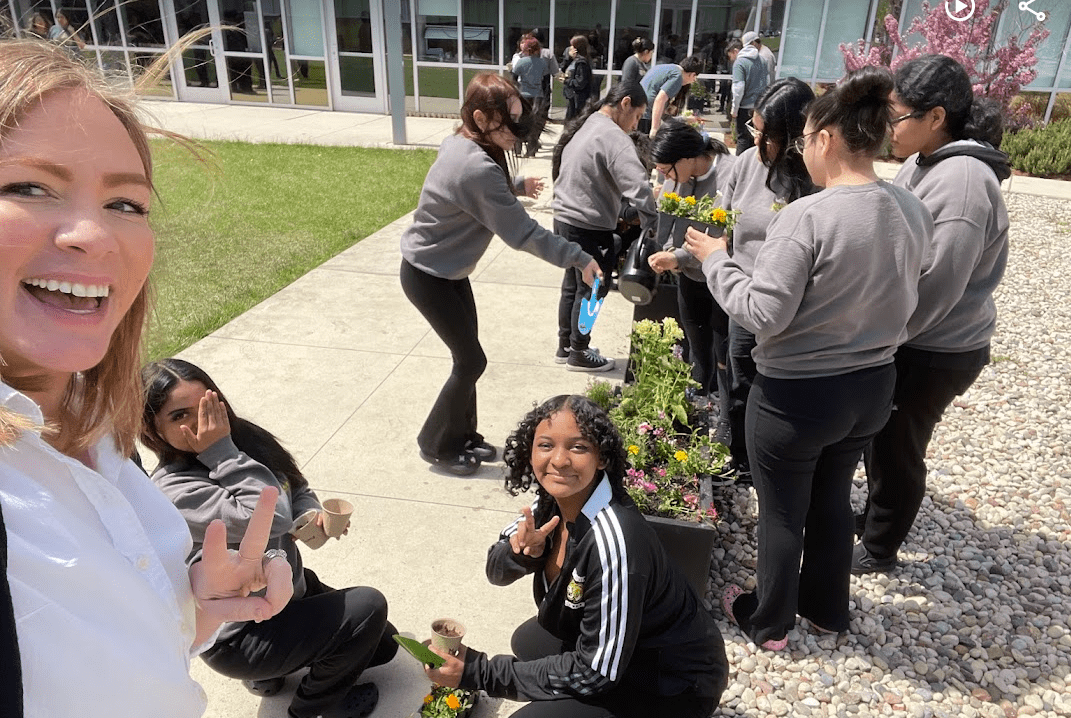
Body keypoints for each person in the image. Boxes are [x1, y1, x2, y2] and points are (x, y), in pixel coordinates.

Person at [0, 38, 292, 716]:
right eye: (27, 187)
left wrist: (201, 607)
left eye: (125, 204)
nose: (95, 236)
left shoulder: (93, 422)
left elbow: (110, 661)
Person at [684, 66, 932, 649]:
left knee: (782, 512)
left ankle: (767, 621)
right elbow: (914, 290)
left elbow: (762, 312)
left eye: (803, 141)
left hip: (797, 395)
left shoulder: (807, 217)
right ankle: (826, 610)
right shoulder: (909, 207)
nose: (801, 152)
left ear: (824, 138)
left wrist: (716, 257)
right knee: (831, 496)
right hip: (872, 387)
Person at [423, 395, 729, 717]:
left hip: (673, 685)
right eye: (545, 445)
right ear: (530, 452)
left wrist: (478, 671)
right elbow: (495, 571)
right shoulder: (549, 508)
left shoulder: (616, 540)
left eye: (578, 447)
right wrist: (523, 554)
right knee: (528, 642)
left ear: (601, 459)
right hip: (625, 651)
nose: (559, 460)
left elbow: (595, 673)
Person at [141, 358, 398, 718]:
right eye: (179, 416)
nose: (200, 423)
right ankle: (313, 709)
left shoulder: (241, 441)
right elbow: (271, 514)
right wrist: (221, 453)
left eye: (206, 407)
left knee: (385, 646)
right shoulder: (176, 489)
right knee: (368, 608)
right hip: (242, 633)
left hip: (286, 589)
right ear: (150, 430)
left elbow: (293, 485)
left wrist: (310, 514)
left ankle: (275, 672)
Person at [853, 54, 1011, 575]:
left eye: (895, 116)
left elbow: (940, 284)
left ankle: (879, 546)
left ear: (936, 117)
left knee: (899, 443)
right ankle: (875, 514)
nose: (886, 128)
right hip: (909, 335)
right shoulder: (924, 160)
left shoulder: (964, 181)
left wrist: (881, 337)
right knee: (879, 433)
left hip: (936, 346)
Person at [400, 73, 600, 476]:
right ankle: (437, 445)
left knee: (467, 358)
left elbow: (476, 189)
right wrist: (579, 258)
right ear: (479, 117)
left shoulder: (463, 143)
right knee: (470, 361)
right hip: (428, 276)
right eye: (509, 124)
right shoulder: (476, 166)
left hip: (448, 272)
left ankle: (462, 434)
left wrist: (513, 185)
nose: (517, 133)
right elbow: (523, 233)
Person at [712, 77, 818, 482]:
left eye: (766, 134)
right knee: (740, 379)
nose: (756, 142)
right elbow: (722, 223)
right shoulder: (746, 164)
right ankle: (741, 458)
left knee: (779, 388)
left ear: (795, 137)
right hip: (744, 295)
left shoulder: (813, 179)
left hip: (794, 302)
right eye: (753, 128)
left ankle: (775, 460)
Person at [550, 81, 657, 372]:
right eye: (637, 116)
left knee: (573, 285)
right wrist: (652, 223)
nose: (636, 125)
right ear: (625, 103)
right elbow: (638, 186)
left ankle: (567, 346)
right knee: (593, 289)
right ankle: (580, 353)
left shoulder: (590, 123)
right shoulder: (614, 137)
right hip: (588, 223)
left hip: (564, 217)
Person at [647, 119, 736, 424]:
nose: (664, 176)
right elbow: (668, 223)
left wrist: (678, 257)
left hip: (725, 277)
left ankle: (727, 416)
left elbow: (720, 236)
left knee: (725, 352)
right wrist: (667, 252)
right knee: (696, 344)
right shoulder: (676, 177)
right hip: (690, 276)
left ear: (686, 159)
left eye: (666, 170)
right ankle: (698, 405)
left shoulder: (730, 174)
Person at [638, 54, 703, 136]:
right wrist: (654, 128)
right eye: (695, 77)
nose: (694, 80)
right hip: (646, 115)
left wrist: (684, 119)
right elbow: (660, 100)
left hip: (638, 110)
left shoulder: (667, 68)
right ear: (693, 74)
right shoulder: (678, 76)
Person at [728, 33, 769, 155]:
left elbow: (738, 88)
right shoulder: (763, 60)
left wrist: (734, 109)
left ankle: (739, 170)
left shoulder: (740, 63)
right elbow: (768, 82)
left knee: (742, 139)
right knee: (755, 140)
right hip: (759, 107)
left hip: (744, 107)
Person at [511, 36, 548, 157]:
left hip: (523, 94)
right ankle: (531, 151)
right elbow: (545, 80)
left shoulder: (521, 62)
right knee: (534, 123)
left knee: (520, 121)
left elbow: (514, 78)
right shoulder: (542, 63)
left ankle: (517, 149)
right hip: (538, 95)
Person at [560, 34, 593, 120]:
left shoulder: (582, 62)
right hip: (571, 97)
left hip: (578, 99)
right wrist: (568, 59)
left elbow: (580, 83)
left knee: (573, 122)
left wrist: (566, 81)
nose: (570, 48)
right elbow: (562, 69)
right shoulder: (573, 60)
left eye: (572, 46)